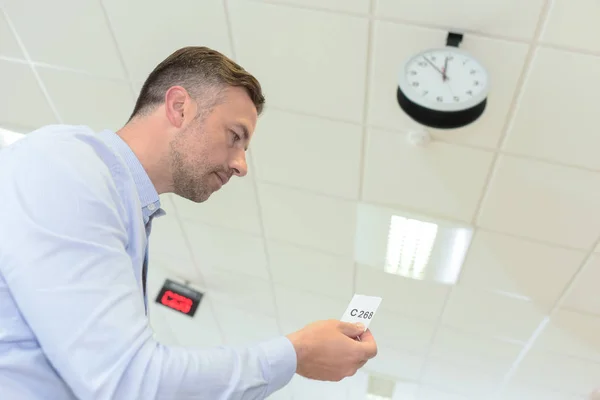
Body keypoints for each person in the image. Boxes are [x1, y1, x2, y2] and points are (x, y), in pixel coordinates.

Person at [0, 46, 378, 399]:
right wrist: (296, 354)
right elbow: (129, 381)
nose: (241, 165)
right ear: (179, 107)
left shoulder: (127, 211)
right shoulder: (68, 167)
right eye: (235, 137)